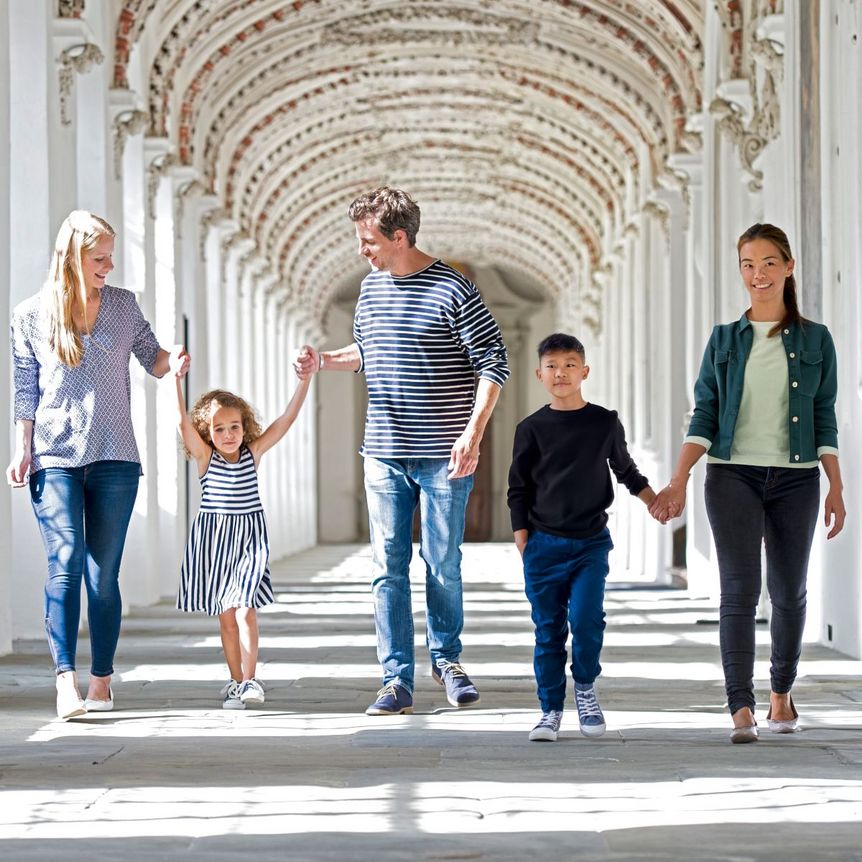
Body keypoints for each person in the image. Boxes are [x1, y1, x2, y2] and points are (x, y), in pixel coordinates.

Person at [294, 186, 509, 716]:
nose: (362, 250)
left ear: (399, 236)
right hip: (384, 451)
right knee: (387, 566)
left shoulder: (454, 289)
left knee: (443, 563)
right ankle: (395, 679)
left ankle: (447, 660)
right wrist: (322, 360)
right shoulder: (371, 289)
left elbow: (493, 363)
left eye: (369, 240)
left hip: (444, 453)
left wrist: (473, 433)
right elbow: (366, 351)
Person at [649, 223, 846, 743]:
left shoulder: (815, 339)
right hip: (731, 474)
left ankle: (782, 692)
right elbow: (705, 414)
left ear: (788, 267)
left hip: (796, 479)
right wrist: (677, 479)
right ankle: (741, 705)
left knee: (789, 591)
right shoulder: (723, 339)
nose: (757, 274)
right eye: (747, 264)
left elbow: (824, 415)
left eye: (767, 263)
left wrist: (837, 487)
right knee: (738, 591)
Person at [7, 210, 189, 720]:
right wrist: (21, 447)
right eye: (100, 258)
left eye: (111, 257)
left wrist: (173, 360)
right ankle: (65, 680)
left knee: (102, 575)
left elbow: (152, 359)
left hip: (115, 456)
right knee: (63, 565)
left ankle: (102, 679)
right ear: (73, 257)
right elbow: (25, 389)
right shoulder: (30, 315)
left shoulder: (123, 306)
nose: (109, 266)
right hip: (53, 454)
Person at [508, 333, 656, 742]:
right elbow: (517, 487)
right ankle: (550, 710)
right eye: (552, 366)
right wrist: (524, 538)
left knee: (587, 620)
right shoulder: (531, 428)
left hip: (591, 543)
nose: (561, 373)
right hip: (543, 545)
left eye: (570, 364)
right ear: (540, 374)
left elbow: (625, 470)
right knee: (548, 629)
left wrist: (653, 500)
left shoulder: (604, 421)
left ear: (584, 371)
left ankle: (586, 690)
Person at [170, 359, 310, 709]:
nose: (228, 435)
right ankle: (236, 681)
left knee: (247, 609)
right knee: (227, 615)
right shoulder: (205, 458)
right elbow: (181, 423)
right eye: (219, 429)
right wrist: (175, 379)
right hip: (215, 543)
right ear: (207, 433)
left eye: (234, 427)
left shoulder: (252, 453)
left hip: (248, 539)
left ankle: (250, 681)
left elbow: (286, 420)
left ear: (245, 427)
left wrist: (304, 381)